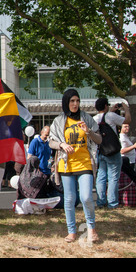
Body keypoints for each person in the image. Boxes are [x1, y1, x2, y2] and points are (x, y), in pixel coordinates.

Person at [49, 89, 102, 243]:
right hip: (66, 165)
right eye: (72, 101)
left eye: (77, 101)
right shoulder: (59, 121)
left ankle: (91, 228)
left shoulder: (87, 118)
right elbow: (51, 141)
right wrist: (62, 144)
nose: (75, 104)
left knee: (86, 197)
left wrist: (89, 131)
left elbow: (98, 140)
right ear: (66, 102)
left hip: (85, 162)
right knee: (70, 199)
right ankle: (71, 231)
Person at [93, 98, 130, 209]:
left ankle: (100, 202)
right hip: (113, 151)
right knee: (113, 178)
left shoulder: (94, 119)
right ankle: (112, 203)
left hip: (101, 150)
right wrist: (126, 109)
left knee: (101, 177)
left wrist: (111, 111)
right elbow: (127, 120)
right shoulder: (111, 116)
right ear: (105, 106)